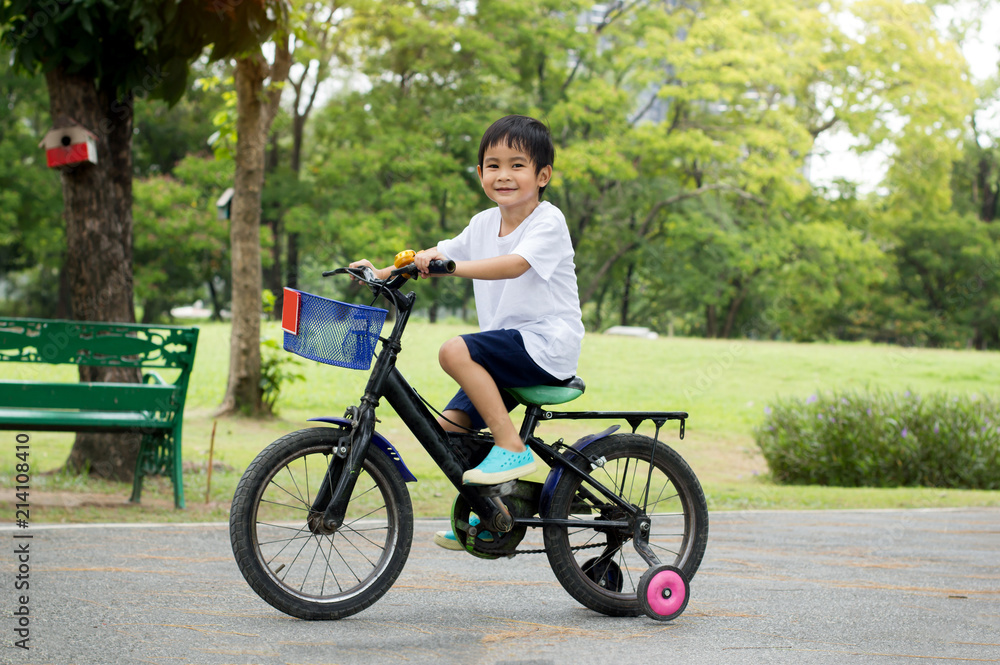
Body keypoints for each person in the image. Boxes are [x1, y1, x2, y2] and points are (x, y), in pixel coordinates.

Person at [350, 113, 583, 511]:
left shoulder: (549, 221)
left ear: (542, 175)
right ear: (480, 174)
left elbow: (515, 264)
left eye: (517, 166)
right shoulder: (482, 223)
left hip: (545, 346)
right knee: (448, 433)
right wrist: (381, 272)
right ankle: (490, 517)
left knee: (454, 350)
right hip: (504, 353)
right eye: (493, 166)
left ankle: (512, 446)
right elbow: (438, 256)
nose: (503, 175)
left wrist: (452, 268)